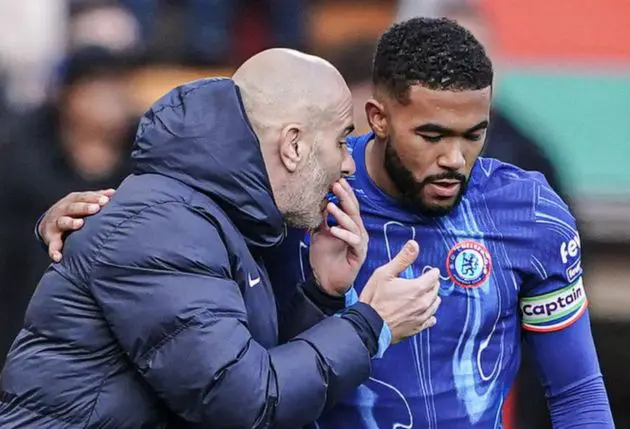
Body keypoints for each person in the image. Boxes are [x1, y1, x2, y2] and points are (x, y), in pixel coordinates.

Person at [34, 18, 615, 428]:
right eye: (431, 136)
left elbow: (577, 392)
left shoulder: (531, 215)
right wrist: (78, 218)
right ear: (378, 118)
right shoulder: (306, 202)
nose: (455, 159)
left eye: (474, 134)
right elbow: (244, 373)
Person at [0, 48, 441, 428]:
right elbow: (240, 402)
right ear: (293, 146)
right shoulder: (165, 225)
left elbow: (239, 364)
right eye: (342, 142)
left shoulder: (216, 214)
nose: (348, 164)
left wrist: (322, 295)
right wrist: (368, 324)